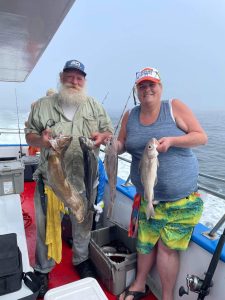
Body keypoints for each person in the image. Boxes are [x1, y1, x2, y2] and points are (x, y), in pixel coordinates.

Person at [117, 67, 208, 300]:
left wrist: (174, 141)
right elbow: (122, 144)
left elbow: (200, 136)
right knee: (144, 243)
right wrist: (111, 146)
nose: (147, 89)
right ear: (136, 90)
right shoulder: (130, 116)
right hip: (147, 197)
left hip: (181, 200)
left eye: (151, 85)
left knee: (168, 249)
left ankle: (166, 296)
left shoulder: (174, 106)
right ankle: (139, 284)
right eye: (142, 86)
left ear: (160, 87)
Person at [25, 59, 114, 298]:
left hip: (85, 180)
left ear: (84, 81)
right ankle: (43, 269)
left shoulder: (95, 106)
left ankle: (81, 260)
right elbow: (30, 136)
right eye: (70, 76)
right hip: (51, 182)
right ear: (61, 77)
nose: (74, 82)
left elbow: (108, 132)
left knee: (82, 223)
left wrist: (102, 136)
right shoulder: (42, 106)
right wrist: (41, 141)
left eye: (79, 78)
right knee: (46, 226)